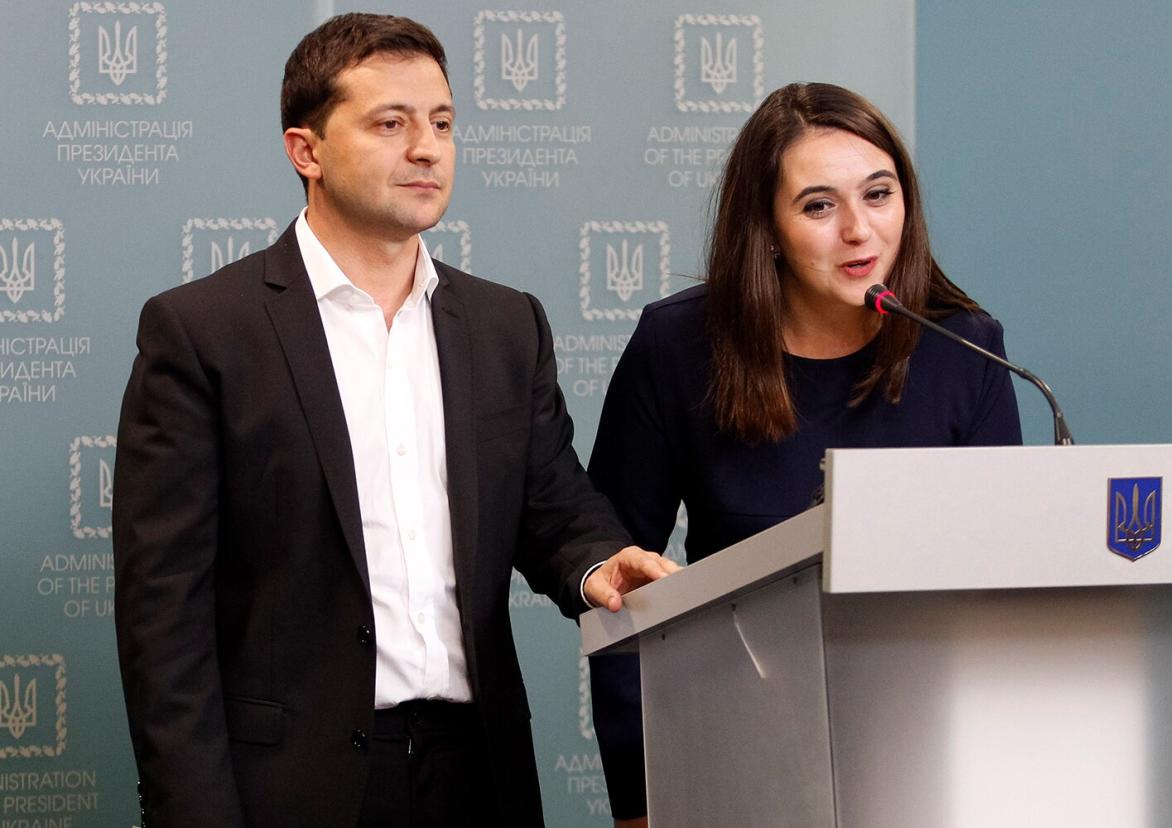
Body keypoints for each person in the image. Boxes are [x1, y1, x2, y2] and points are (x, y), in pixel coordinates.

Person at [112, 13, 675, 827]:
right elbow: (163, 616)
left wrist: (599, 565)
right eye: (392, 123)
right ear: (306, 150)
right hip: (288, 785)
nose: (428, 148)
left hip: (476, 771)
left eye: (442, 124)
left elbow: (553, 504)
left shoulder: (507, 325)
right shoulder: (204, 333)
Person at [587, 82, 1023, 824]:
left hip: (927, 759)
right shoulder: (678, 347)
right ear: (768, 229)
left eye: (878, 194)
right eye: (819, 206)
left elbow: (1004, 584)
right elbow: (623, 593)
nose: (859, 230)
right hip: (733, 753)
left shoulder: (966, 348)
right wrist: (641, 799)